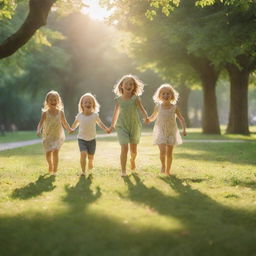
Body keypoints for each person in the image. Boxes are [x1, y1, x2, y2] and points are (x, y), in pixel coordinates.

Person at [110, 74, 148, 176]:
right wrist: (112, 125)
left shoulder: (136, 98)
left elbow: (141, 108)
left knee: (133, 150)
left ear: (134, 87)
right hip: (122, 126)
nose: (129, 85)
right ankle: (123, 171)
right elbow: (116, 113)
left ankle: (132, 160)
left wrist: (146, 117)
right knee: (124, 147)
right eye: (126, 84)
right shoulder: (118, 100)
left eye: (131, 84)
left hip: (134, 126)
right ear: (121, 86)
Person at [146, 84, 187, 175]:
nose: (165, 95)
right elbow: (153, 117)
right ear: (159, 96)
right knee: (162, 151)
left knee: (169, 153)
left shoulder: (174, 108)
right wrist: (148, 119)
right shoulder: (158, 107)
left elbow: (181, 118)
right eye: (163, 94)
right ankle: (163, 166)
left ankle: (168, 170)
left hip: (171, 132)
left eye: (168, 93)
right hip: (160, 131)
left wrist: (184, 129)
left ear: (172, 95)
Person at [71, 93, 109, 175]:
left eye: (89, 102)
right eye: (85, 102)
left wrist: (106, 129)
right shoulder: (79, 116)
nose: (87, 104)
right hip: (81, 139)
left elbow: (100, 123)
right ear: (82, 104)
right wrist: (72, 129)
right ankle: (83, 171)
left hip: (92, 139)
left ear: (93, 104)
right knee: (83, 153)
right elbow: (75, 124)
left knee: (91, 157)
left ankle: (91, 161)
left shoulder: (95, 115)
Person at [37, 90, 72, 175]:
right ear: (47, 102)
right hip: (47, 136)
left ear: (58, 101)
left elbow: (64, 122)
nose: (53, 102)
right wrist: (38, 130)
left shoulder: (60, 112)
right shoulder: (45, 113)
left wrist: (69, 129)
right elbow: (40, 123)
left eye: (55, 100)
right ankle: (50, 165)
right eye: (51, 100)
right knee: (48, 153)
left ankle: (55, 170)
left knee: (56, 151)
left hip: (58, 136)